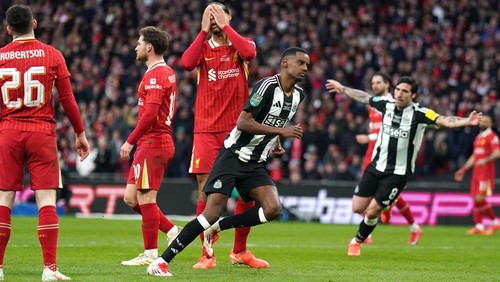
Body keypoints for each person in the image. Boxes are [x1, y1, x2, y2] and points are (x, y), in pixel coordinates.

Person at [145, 46, 310, 277]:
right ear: (285, 64)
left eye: (307, 65)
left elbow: (278, 123)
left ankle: (220, 227)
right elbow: (243, 122)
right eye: (301, 63)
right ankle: (161, 262)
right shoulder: (266, 86)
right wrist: (280, 133)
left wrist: (277, 142)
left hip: (256, 162)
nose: (305, 68)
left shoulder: (298, 96)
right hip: (233, 155)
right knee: (210, 213)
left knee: (273, 209)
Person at [325, 76, 481, 256]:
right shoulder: (386, 105)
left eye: (404, 91)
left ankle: (356, 241)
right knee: (357, 208)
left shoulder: (421, 113)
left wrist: (465, 121)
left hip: (398, 173)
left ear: (413, 95)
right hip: (377, 166)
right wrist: (342, 88)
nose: (399, 94)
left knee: (372, 211)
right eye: (397, 89)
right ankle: (388, 204)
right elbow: (364, 97)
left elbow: (444, 120)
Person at [0, 4, 90, 281]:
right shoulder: (52, 54)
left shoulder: (0, 57)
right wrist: (80, 133)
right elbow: (67, 100)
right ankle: (49, 269)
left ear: (8, 29)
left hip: (8, 131)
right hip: (41, 131)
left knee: (4, 198)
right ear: (35, 23)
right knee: (47, 199)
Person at [181, 2, 264, 269]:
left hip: (239, 132)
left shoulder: (241, 45)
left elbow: (249, 52)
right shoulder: (203, 48)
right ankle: (207, 255)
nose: (213, 18)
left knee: (247, 193)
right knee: (206, 191)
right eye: (208, 14)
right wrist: (202, 31)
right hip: (206, 130)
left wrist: (226, 26)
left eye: (218, 13)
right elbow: (185, 63)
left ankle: (240, 251)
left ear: (229, 17)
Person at [119, 26, 181, 266]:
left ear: (149, 47)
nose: (135, 46)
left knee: (146, 198)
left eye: (139, 42)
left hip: (154, 141)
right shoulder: (163, 73)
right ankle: (171, 230)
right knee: (130, 198)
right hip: (152, 142)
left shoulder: (156, 75)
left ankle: (151, 254)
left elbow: (150, 115)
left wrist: (129, 141)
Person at [355, 73, 422, 245]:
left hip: (388, 155)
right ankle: (407, 223)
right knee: (376, 194)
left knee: (390, 195)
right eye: (373, 83)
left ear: (387, 84)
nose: (375, 86)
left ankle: (410, 225)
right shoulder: (374, 103)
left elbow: (388, 133)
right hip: (374, 152)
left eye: (378, 83)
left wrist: (369, 138)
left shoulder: (391, 104)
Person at [454, 115, 500, 235]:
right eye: (481, 121)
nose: (483, 123)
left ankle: (495, 223)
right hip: (476, 173)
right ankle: (479, 226)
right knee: (475, 198)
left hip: (486, 173)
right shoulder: (479, 137)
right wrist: (463, 169)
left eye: (486, 121)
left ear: (490, 124)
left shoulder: (492, 137)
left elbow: (497, 153)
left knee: (480, 198)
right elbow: (475, 156)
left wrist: (485, 160)